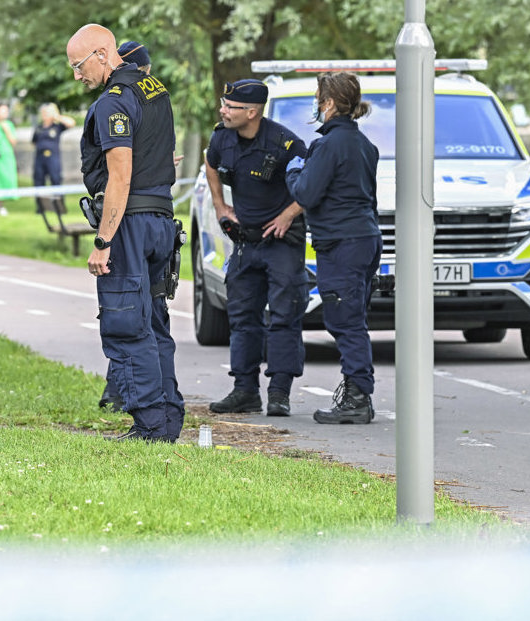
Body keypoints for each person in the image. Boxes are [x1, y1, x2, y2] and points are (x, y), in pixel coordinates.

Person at [68, 23, 183, 442]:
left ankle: (150, 426)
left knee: (125, 323)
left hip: (130, 225)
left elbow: (120, 176)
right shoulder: (156, 90)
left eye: (79, 65)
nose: (77, 75)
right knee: (154, 323)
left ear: (102, 53)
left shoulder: (113, 103)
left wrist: (103, 241)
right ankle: (168, 419)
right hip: (161, 222)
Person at [206, 79, 308, 417]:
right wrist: (221, 206)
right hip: (246, 240)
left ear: (252, 112)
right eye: (224, 103)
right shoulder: (222, 136)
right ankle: (245, 390)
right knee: (242, 316)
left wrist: (288, 215)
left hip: (281, 241)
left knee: (284, 315)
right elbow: (211, 164)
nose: (223, 110)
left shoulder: (286, 143)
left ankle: (279, 392)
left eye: (230, 107)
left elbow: (312, 184)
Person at [284, 71, 381, 425]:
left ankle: (357, 397)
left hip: (341, 243)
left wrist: (294, 170)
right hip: (366, 238)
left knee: (345, 319)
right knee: (353, 316)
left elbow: (307, 193)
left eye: (317, 97)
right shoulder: (364, 145)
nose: (316, 103)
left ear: (328, 103)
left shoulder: (328, 146)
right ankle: (356, 389)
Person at [31, 103, 77, 196]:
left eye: (47, 113)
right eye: (43, 113)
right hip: (40, 157)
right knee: (38, 180)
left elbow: (71, 123)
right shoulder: (39, 128)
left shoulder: (57, 127)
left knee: (55, 179)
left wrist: (57, 116)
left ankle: (58, 206)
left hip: (52, 157)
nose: (44, 115)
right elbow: (34, 142)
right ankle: (41, 207)